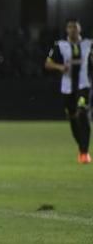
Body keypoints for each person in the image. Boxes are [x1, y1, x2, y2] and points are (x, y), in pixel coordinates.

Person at [44, 19, 91, 163]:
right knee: (73, 118)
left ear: (80, 29)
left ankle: (84, 153)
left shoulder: (88, 44)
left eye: (75, 27)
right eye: (70, 27)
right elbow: (47, 63)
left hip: (83, 86)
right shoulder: (61, 46)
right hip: (67, 88)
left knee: (82, 112)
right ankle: (82, 148)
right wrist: (60, 67)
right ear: (66, 30)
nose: (73, 30)